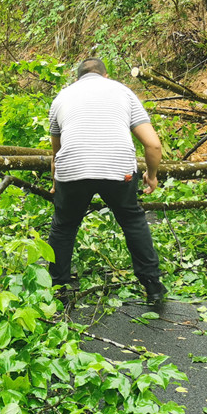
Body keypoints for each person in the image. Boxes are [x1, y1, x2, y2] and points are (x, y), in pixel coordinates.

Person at [47, 57, 166, 312]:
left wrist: (57, 181)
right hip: (117, 167)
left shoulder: (61, 97)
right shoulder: (123, 92)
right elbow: (153, 145)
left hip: (73, 168)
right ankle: (153, 286)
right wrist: (152, 175)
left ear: (77, 78)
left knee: (64, 226)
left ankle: (57, 290)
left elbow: (56, 153)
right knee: (132, 219)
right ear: (106, 76)